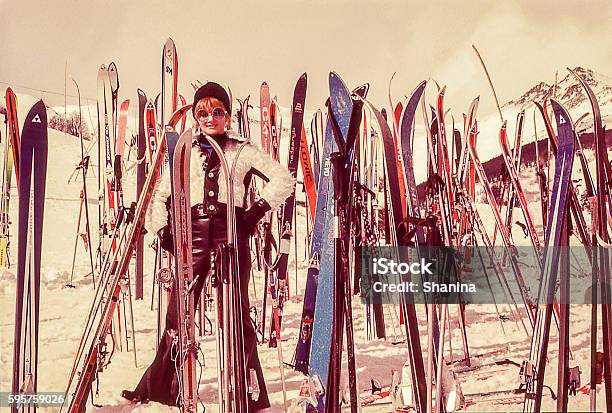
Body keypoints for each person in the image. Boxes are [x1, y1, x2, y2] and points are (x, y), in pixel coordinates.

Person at [121, 82, 294, 411]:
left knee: (238, 312)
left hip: (232, 233)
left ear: (227, 116)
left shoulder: (242, 151)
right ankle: (161, 388)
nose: (210, 118)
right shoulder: (184, 151)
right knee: (179, 312)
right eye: (202, 112)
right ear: (196, 117)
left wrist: (255, 211)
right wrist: (164, 230)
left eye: (217, 112)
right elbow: (161, 194)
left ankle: (248, 391)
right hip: (193, 233)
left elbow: (284, 179)